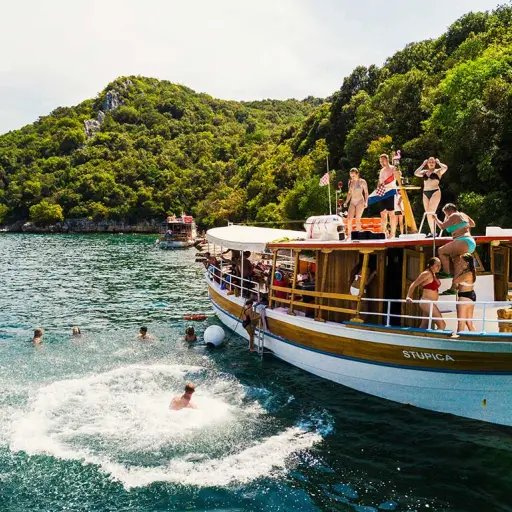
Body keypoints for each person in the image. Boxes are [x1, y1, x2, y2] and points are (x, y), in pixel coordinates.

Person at [433, 203, 476, 294]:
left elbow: (442, 226)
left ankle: (446, 272)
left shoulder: (454, 215)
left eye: (446, 213)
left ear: (449, 211)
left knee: (441, 251)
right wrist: (462, 226)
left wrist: (435, 218)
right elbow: (472, 224)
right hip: (470, 242)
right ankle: (453, 288)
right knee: (457, 263)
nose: (446, 216)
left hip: (463, 241)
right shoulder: (462, 214)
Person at [406, 257, 446, 330]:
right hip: (427, 302)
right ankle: (434, 337)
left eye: (440, 265)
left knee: (424, 325)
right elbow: (414, 284)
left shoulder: (433, 274)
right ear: (431, 265)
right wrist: (408, 296)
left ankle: (417, 336)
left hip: (431, 303)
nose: (439, 267)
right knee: (442, 325)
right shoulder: (426, 274)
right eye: (437, 265)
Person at [415, 157, 448, 236]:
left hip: (435, 192)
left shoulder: (438, 171)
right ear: (427, 163)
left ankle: (435, 231)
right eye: (430, 162)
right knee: (428, 214)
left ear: (435, 163)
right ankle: (433, 232)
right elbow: (416, 173)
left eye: (433, 162)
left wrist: (439, 162)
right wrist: (423, 165)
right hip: (425, 193)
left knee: (431, 212)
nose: (431, 163)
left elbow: (445, 168)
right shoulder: (424, 172)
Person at [454, 253, 477, 332]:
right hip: (470, 296)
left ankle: (459, 338)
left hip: (464, 298)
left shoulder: (467, 274)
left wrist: (458, 269)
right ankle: (476, 338)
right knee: (469, 322)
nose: (459, 263)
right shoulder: (470, 272)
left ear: (467, 263)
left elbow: (455, 281)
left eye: (461, 261)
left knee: (461, 322)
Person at [377, 154, 398, 239]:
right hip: (382, 192)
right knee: (383, 213)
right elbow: (380, 181)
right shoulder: (382, 171)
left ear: (387, 160)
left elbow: (399, 176)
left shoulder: (393, 168)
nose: (381, 162)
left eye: (383, 160)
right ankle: (384, 232)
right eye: (380, 161)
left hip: (391, 192)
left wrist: (398, 172)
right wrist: (377, 192)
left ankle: (392, 233)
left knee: (391, 213)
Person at [344, 168, 368, 238]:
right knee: (349, 219)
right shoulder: (350, 182)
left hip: (360, 201)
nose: (352, 177)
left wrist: (366, 202)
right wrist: (346, 202)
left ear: (357, 174)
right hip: (352, 201)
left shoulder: (362, 182)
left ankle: (359, 235)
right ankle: (349, 235)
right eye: (351, 176)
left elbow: (366, 193)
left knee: (357, 219)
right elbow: (349, 193)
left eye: (353, 176)